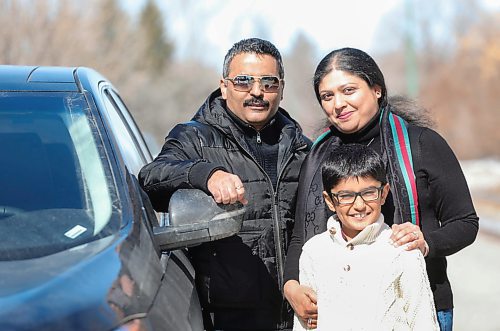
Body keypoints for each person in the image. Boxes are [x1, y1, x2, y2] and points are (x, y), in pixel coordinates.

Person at [283, 47, 479, 331]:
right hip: (339, 311)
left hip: (418, 307)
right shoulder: (317, 157)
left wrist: (425, 242)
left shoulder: (422, 144)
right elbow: (301, 234)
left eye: (349, 90)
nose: (338, 103)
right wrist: (291, 285)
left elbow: (465, 222)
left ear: (376, 89)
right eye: (328, 96)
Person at [139, 38, 311, 331]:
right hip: (223, 318)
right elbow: (151, 178)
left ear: (281, 89)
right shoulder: (194, 138)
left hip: (297, 314)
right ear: (224, 85)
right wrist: (205, 175)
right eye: (243, 81)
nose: (257, 92)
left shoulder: (302, 148)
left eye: (268, 83)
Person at [293, 143, 439, 331]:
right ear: (329, 201)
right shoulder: (314, 251)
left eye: (369, 193)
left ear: (384, 193)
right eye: (346, 196)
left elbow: (423, 321)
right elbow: (305, 324)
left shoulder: (403, 251)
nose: (359, 205)